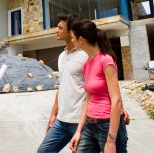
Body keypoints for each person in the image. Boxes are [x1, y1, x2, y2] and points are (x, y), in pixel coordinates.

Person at [37, 14, 130, 153]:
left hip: (89, 120)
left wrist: (120, 109)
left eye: (60, 27)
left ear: (74, 34)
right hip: (70, 120)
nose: (56, 30)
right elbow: (66, 87)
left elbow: (111, 91)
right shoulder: (66, 57)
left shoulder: (93, 56)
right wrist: (53, 113)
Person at [69, 19, 128, 153]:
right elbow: (87, 100)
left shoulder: (106, 60)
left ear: (81, 39)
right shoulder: (86, 64)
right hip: (90, 125)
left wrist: (111, 140)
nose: (71, 40)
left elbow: (116, 99)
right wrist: (78, 131)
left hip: (108, 125)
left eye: (73, 38)